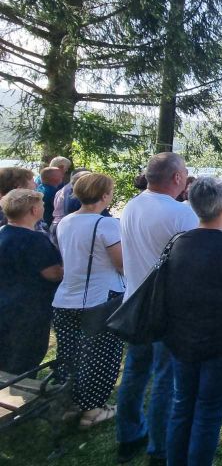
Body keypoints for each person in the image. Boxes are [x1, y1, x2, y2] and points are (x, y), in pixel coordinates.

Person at [163, 177, 222, 466]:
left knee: (182, 405)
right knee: (208, 410)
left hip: (181, 336)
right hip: (221, 340)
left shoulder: (177, 242)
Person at [116, 152, 199, 465]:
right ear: (177, 177)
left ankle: (128, 435)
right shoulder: (181, 214)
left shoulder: (131, 206)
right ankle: (160, 446)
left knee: (135, 372)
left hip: (134, 302)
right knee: (166, 378)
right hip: (167, 308)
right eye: (185, 172)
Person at [52, 173, 124, 428]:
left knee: (69, 354)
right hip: (99, 297)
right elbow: (121, 263)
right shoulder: (106, 224)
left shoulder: (65, 222)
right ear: (104, 195)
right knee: (101, 355)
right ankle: (92, 409)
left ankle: (69, 402)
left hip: (65, 297)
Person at [0, 189, 63, 374]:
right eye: (41, 204)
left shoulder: (3, 233)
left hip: (5, 304)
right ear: (34, 210)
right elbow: (52, 273)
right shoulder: (34, 240)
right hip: (29, 309)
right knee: (24, 360)